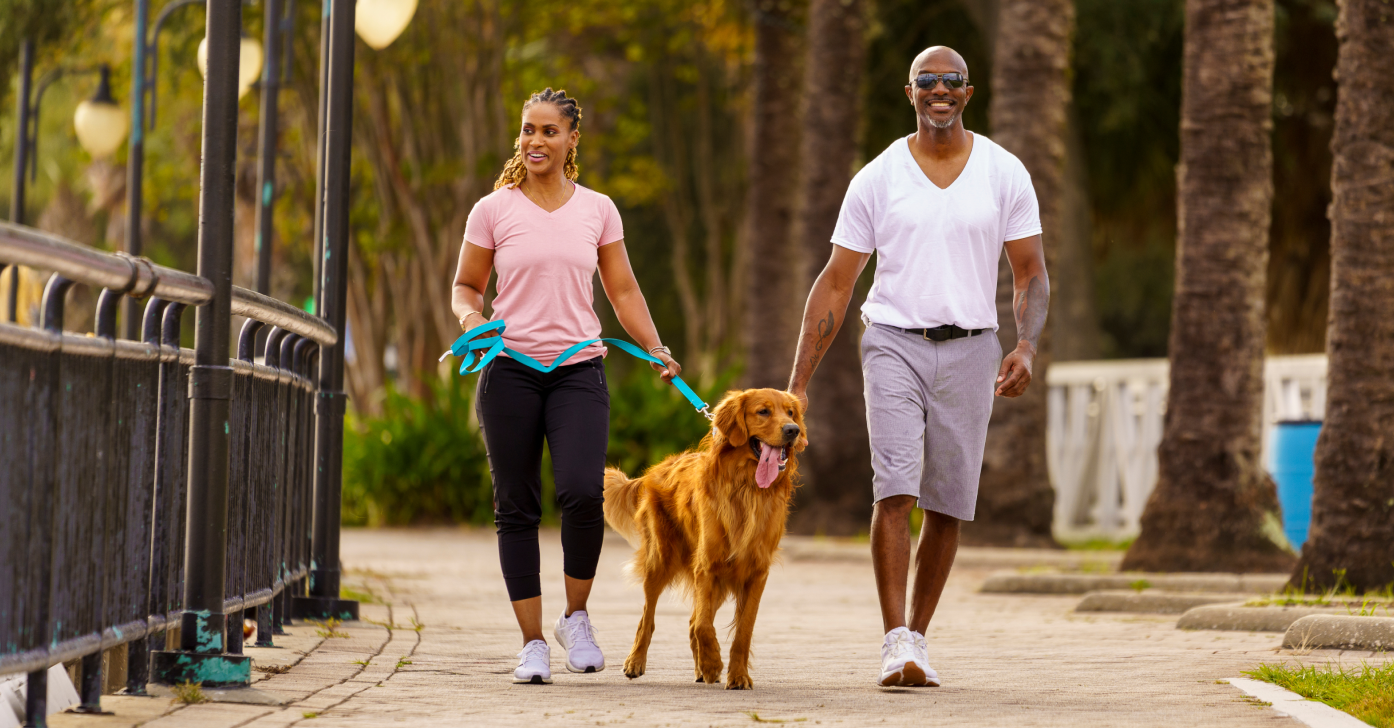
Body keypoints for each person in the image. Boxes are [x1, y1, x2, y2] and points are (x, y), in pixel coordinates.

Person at [786, 46, 1048, 687]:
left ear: (968, 91)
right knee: (895, 488)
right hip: (893, 341)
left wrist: (1026, 345)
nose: (939, 90)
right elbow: (837, 282)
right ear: (909, 93)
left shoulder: (1003, 171)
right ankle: (893, 639)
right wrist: (796, 384)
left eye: (950, 81)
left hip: (972, 347)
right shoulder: (876, 178)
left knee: (949, 502)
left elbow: (1030, 273)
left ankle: (920, 638)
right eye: (926, 81)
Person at [451, 88, 681, 685]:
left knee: (582, 492)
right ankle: (532, 644)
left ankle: (575, 617)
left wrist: (655, 346)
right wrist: (473, 321)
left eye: (549, 131)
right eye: (528, 130)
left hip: (578, 367)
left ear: (572, 139)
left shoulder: (598, 209)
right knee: (516, 506)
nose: (535, 142)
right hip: (510, 369)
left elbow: (623, 289)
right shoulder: (493, 210)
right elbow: (466, 286)